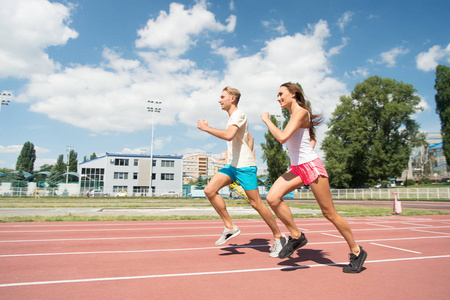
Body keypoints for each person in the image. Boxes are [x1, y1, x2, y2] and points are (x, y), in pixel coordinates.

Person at [261, 82, 367, 273]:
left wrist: (267, 121)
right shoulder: (295, 116)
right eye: (277, 95)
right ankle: (297, 236)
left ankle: (357, 251)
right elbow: (308, 139)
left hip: (311, 167)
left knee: (329, 213)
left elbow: (283, 137)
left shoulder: (301, 112)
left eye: (281, 94)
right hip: (297, 168)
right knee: (272, 198)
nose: (278, 98)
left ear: (293, 94)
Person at [197, 86, 287, 257]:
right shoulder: (233, 117)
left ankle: (279, 237)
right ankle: (230, 227)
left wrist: (206, 128)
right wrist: (242, 152)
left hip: (244, 167)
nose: (219, 100)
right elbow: (249, 137)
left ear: (232, 98)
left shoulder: (239, 114)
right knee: (209, 190)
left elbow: (230, 135)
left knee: (256, 204)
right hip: (232, 165)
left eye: (222, 97)